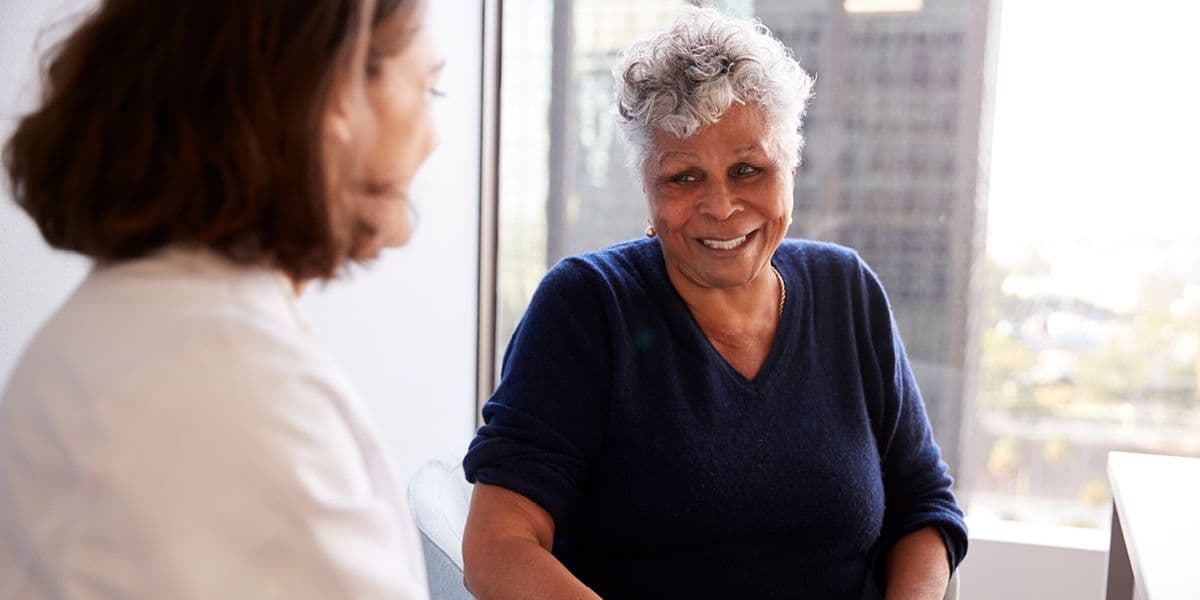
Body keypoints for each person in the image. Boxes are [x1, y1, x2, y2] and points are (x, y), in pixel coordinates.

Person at [461, 7, 966, 599]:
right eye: (683, 177)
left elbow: (923, 507)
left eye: (748, 169)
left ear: (791, 169)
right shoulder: (587, 307)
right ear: (646, 184)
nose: (721, 207)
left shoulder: (846, 290)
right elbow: (497, 545)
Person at [0, 0, 443, 596]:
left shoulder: (144, 328)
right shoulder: (231, 383)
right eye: (428, 90)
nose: (434, 138)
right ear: (334, 91)